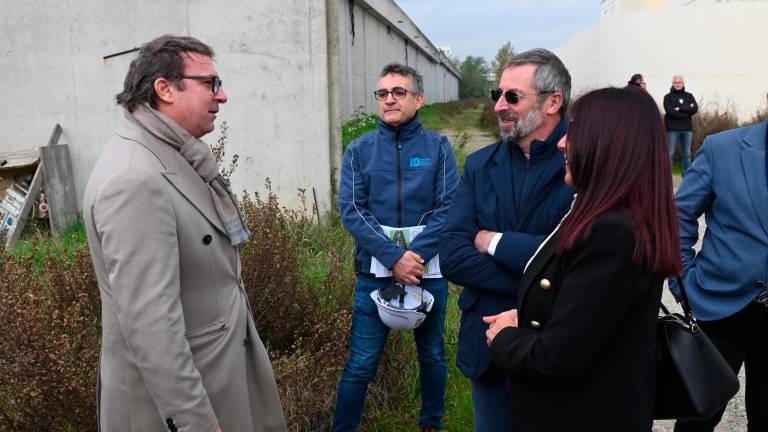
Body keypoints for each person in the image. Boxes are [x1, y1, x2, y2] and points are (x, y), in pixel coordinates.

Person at [82, 35, 287, 432]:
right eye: (210, 83)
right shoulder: (134, 179)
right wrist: (194, 422)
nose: (222, 95)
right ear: (165, 89)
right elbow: (151, 324)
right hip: (182, 405)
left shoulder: (173, 153)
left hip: (218, 376)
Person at [484, 86, 682, 431]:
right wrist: (533, 314)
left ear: (609, 145)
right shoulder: (610, 217)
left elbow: (558, 358)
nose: (562, 143)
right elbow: (590, 316)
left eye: (575, 132)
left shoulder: (612, 231)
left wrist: (503, 337)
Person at [438, 48, 574, 431]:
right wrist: (545, 274)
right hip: (489, 347)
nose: (499, 105)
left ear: (552, 102)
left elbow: (580, 258)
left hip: (557, 344)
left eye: (512, 96)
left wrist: (492, 241)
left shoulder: (580, 163)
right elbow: (451, 255)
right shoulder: (481, 166)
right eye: (497, 94)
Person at [334, 63, 459, 432]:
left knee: (433, 355)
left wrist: (413, 261)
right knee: (360, 364)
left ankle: (431, 423)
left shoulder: (438, 148)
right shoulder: (359, 151)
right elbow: (353, 209)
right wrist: (394, 258)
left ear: (418, 99)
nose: (389, 99)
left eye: (398, 92)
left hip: (427, 275)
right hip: (374, 277)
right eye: (382, 93)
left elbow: (449, 207)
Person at [669, 119, 768, 431]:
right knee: (696, 420)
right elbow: (678, 216)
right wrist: (683, 282)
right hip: (719, 309)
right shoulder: (721, 148)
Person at [664, 75, 698, 172]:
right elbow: (670, 112)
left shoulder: (689, 96)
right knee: (670, 153)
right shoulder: (668, 97)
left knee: (687, 154)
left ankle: (686, 176)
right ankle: (668, 177)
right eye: (676, 82)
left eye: (680, 82)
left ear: (683, 84)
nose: (678, 84)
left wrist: (680, 108)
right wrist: (687, 112)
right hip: (672, 129)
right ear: (673, 84)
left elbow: (694, 109)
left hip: (687, 129)